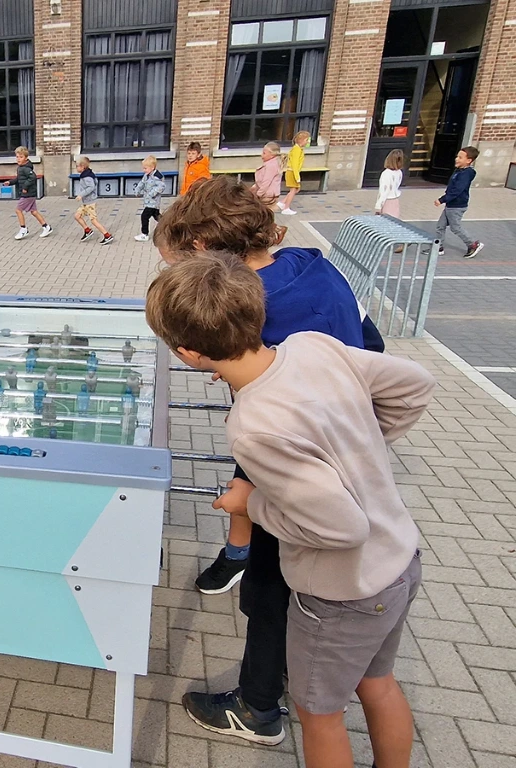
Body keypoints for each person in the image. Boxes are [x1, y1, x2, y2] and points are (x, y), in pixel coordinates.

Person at [146, 252, 434, 768]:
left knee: (318, 714)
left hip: (344, 592)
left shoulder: (253, 426)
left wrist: (251, 503)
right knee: (378, 684)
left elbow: (341, 527)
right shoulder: (311, 346)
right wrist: (358, 447)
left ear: (189, 353)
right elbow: (415, 384)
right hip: (399, 561)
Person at [156, 176, 385, 745]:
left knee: (271, 585)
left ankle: (259, 704)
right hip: (351, 448)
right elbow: (373, 345)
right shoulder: (313, 265)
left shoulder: (255, 301)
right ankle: (280, 673)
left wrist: (255, 496)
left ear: (203, 248)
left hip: (293, 464)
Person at [434, 146, 484, 259]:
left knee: (455, 227)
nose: (456, 159)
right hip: (451, 204)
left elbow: (456, 190)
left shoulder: (465, 174)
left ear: (468, 160)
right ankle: (438, 247)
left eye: (460, 157)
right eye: (457, 156)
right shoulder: (459, 170)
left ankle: (473, 244)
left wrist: (442, 199)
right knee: (440, 226)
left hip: (457, 206)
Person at [3, 146, 52, 240]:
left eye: (21, 157)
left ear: (26, 158)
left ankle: (23, 229)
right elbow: (19, 179)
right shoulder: (21, 168)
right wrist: (10, 182)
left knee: (18, 210)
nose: (18, 159)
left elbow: (33, 177)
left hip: (28, 194)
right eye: (17, 157)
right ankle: (46, 227)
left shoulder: (25, 168)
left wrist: (25, 187)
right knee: (34, 212)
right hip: (30, 194)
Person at [73, 156, 113, 245]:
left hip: (90, 202)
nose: (76, 168)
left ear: (83, 166)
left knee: (93, 220)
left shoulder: (87, 177)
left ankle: (107, 235)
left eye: (77, 166)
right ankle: (87, 230)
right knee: (77, 216)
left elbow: (91, 187)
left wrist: (81, 195)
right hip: (86, 202)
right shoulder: (86, 174)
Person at [133, 155, 166, 242]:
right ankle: (168, 226)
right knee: (157, 216)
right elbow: (142, 183)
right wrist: (137, 190)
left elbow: (161, 186)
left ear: (152, 167)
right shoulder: (146, 175)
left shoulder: (157, 176)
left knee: (144, 216)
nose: (144, 170)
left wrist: (152, 193)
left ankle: (144, 234)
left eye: (145, 168)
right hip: (148, 201)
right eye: (143, 168)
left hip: (153, 202)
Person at [278, 130, 309, 215]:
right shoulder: (297, 150)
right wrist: (297, 177)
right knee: (293, 190)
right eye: (306, 140)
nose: (307, 142)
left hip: (292, 172)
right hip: (292, 172)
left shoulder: (298, 149)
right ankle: (286, 208)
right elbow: (295, 164)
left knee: (295, 189)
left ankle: (282, 203)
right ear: (301, 140)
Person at [375, 149, 404, 219]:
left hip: (387, 201)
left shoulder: (386, 173)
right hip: (395, 200)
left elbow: (384, 191)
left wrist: (378, 206)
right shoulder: (399, 172)